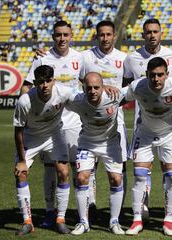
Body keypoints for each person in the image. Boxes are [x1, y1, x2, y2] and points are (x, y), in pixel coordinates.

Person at [124, 57, 172, 236]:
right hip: (144, 134)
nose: (156, 79)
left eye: (160, 75)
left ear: (167, 74)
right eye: (153, 75)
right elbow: (120, 96)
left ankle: (168, 221)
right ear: (147, 75)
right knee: (139, 176)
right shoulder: (137, 86)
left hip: (170, 134)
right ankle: (137, 220)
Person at [23, 20, 83, 228]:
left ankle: (78, 212)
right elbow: (26, 87)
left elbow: (89, 83)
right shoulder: (42, 59)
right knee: (50, 168)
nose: (62, 38)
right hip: (48, 124)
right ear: (53, 36)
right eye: (58, 35)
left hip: (73, 122)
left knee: (75, 169)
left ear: (71, 35)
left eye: (66, 34)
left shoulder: (80, 57)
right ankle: (50, 212)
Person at [123, 18, 172, 220]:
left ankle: (168, 214)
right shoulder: (131, 59)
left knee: (170, 170)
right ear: (143, 35)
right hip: (143, 122)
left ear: (161, 34)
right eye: (148, 32)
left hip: (169, 123)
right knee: (141, 170)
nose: (152, 35)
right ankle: (143, 207)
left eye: (155, 31)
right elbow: (126, 89)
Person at [13, 65, 73, 235]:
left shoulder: (64, 92)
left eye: (48, 81)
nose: (45, 85)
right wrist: (22, 161)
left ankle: (60, 219)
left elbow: (85, 98)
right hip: (31, 137)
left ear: (53, 81)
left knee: (63, 172)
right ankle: (27, 221)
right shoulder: (25, 101)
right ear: (35, 83)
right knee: (20, 173)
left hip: (55, 134)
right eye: (40, 82)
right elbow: (18, 131)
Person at [79, 20, 128, 223]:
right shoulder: (85, 57)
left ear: (114, 35)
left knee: (119, 166)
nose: (105, 38)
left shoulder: (124, 58)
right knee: (90, 165)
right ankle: (91, 204)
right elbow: (78, 80)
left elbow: (129, 84)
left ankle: (117, 213)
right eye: (101, 35)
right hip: (90, 118)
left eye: (109, 34)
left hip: (116, 118)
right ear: (96, 36)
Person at [67, 72, 125, 235]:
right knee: (81, 177)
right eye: (89, 88)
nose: (92, 91)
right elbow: (56, 93)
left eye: (96, 87)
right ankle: (83, 222)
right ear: (83, 88)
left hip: (110, 143)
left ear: (103, 87)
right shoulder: (77, 100)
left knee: (116, 179)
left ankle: (114, 222)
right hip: (87, 143)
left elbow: (138, 88)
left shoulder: (114, 95)